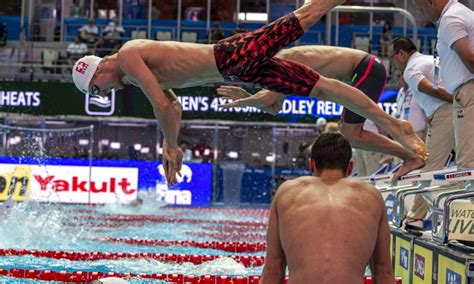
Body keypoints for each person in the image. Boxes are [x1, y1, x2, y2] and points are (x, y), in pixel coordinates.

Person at [72, 0, 425, 184]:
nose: (104, 94)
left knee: (310, 13)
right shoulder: (133, 74)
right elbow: (173, 109)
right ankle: (399, 136)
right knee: (324, 89)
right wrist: (172, 143)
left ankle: (397, 127)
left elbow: (162, 105)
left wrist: (170, 145)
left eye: (97, 90)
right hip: (240, 68)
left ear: (97, 69)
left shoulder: (130, 56)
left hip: (233, 55)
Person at [217, 45, 426, 178]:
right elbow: (274, 107)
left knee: (351, 134)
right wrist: (248, 96)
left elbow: (269, 99)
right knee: (352, 136)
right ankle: (407, 152)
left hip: (365, 69)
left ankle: (403, 142)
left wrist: (245, 100)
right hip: (366, 69)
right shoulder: (275, 67)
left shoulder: (278, 62)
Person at [260, 132, 394, 283]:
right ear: (350, 167)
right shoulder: (371, 197)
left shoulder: (287, 193)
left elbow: (273, 269)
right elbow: (383, 273)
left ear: (312, 164)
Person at [413, 0, 474, 169]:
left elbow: (470, 59)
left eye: (420, 7)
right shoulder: (461, 13)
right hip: (467, 92)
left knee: (467, 165)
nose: (422, 13)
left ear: (430, 2)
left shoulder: (451, 18)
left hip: (468, 93)